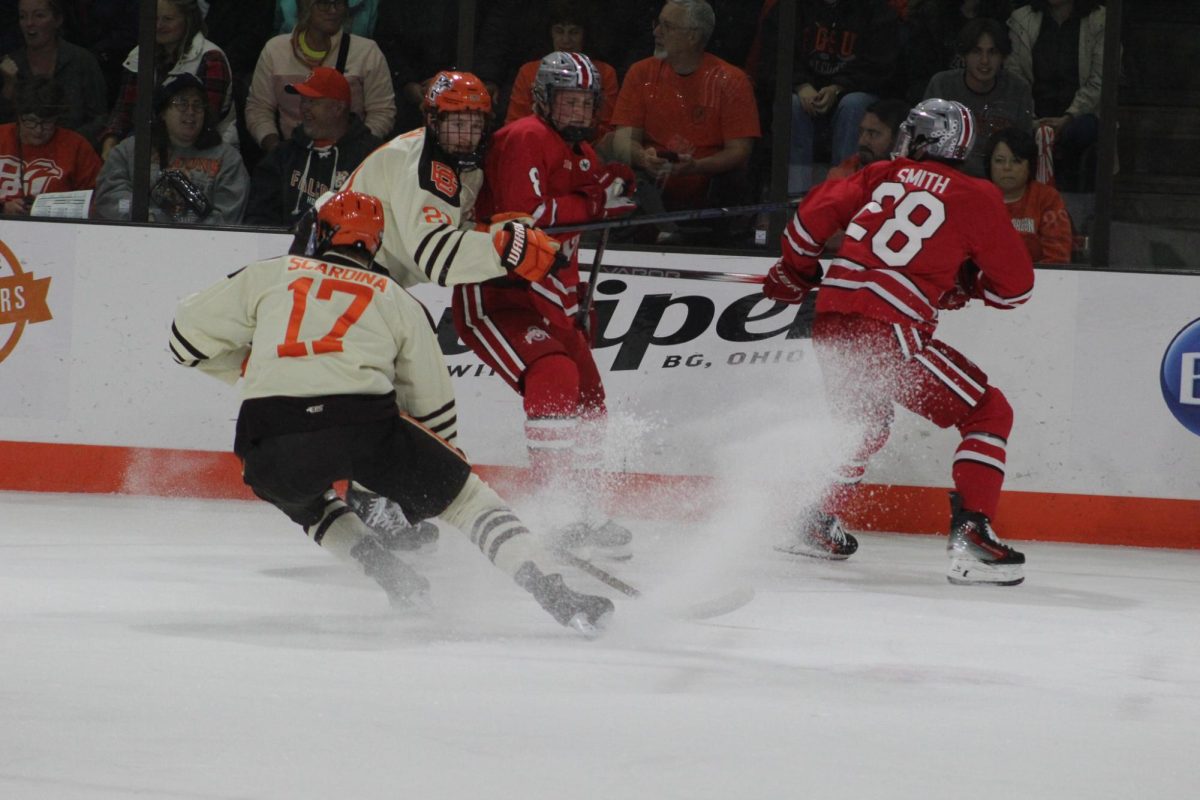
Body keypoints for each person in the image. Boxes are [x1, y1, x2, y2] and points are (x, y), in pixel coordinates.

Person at [168, 190, 614, 635]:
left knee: (306, 503)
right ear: (375, 244)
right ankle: (556, 593)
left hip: (266, 440)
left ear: (320, 233)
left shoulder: (268, 275)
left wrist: (250, 371)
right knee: (468, 502)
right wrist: (434, 482)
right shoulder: (397, 299)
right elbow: (433, 410)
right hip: (363, 426)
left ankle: (392, 576)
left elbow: (184, 340)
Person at [763, 98, 1034, 586]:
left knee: (862, 424)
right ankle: (972, 533)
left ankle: (813, 521)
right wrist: (967, 288)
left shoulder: (883, 174)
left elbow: (807, 224)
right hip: (887, 328)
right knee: (989, 412)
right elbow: (1017, 289)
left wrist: (796, 271)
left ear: (922, 139)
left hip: (832, 317)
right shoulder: (977, 195)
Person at [311, 70, 565, 548]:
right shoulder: (425, 167)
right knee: (388, 385)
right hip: (341, 274)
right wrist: (507, 249)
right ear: (431, 121)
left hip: (358, 276)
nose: (464, 134)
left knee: (385, 385)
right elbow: (436, 257)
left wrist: (511, 237)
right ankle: (370, 504)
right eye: (453, 123)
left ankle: (374, 501)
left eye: (473, 124)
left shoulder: (454, 159)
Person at [455, 51, 637, 560]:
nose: (578, 112)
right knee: (554, 375)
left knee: (590, 399)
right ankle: (552, 510)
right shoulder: (525, 138)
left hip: (551, 301)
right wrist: (595, 201)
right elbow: (526, 219)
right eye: (569, 101)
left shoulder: (583, 151)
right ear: (544, 100)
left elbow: (570, 242)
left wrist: (578, 303)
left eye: (586, 102)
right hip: (499, 294)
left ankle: (579, 507)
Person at [609, 0, 760, 244]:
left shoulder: (731, 80)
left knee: (734, 181)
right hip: (651, 187)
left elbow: (740, 151)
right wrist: (643, 157)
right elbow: (622, 140)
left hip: (710, 190)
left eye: (666, 26)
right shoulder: (640, 73)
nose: (656, 32)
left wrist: (698, 166)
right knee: (619, 165)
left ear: (692, 37)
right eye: (657, 24)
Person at [755, 0, 901, 194]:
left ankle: (842, 192)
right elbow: (771, 59)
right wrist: (800, 84)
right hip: (805, 97)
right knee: (792, 104)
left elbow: (880, 67)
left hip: (852, 95)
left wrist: (838, 87)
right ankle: (793, 196)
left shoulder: (876, 11)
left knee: (854, 104)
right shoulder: (790, 8)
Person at [93, 72, 248, 224]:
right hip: (136, 238)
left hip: (201, 244)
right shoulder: (130, 150)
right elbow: (109, 197)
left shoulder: (227, 158)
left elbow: (227, 217)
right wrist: (147, 218)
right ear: (162, 112)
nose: (190, 112)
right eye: (181, 104)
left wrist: (183, 228)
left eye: (198, 105)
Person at [245, 0, 395, 153]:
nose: (333, 10)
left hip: (349, 155)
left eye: (340, 3)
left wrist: (355, 152)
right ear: (304, 6)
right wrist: (278, 153)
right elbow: (258, 109)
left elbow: (382, 112)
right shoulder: (275, 50)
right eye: (324, 3)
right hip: (291, 153)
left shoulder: (367, 52)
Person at [243, 66, 380, 227]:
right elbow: (259, 217)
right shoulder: (283, 156)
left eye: (313, 101)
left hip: (347, 249)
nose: (304, 108)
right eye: (303, 100)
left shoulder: (372, 156)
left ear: (338, 107)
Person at [100, 0, 237, 157]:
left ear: (188, 19)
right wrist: (110, 140)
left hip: (205, 149)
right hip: (148, 145)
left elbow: (204, 120)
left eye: (167, 19)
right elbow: (124, 110)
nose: (158, 26)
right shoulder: (138, 55)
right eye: (154, 18)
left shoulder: (211, 58)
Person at [1006, 0, 1107, 191]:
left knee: (1085, 129)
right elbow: (1015, 75)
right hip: (1034, 114)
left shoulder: (1099, 20)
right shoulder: (1022, 19)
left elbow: (1100, 79)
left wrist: (1069, 117)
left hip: (1078, 116)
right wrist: (1033, 119)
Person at [924, 17, 1034, 176]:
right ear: (963, 56)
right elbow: (926, 144)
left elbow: (1023, 151)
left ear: (1003, 57)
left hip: (999, 181)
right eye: (976, 51)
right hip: (951, 177)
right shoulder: (942, 85)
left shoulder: (1018, 89)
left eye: (993, 52)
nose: (984, 61)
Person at [502, 0, 619, 147]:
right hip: (537, 147)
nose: (566, 40)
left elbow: (607, 129)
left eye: (574, 32)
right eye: (559, 31)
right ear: (550, 33)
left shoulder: (605, 73)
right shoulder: (529, 72)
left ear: (585, 35)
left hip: (587, 149)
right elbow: (514, 124)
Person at [0, 0, 108, 148]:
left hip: (72, 151)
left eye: (39, 15)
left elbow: (100, 118)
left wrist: (68, 143)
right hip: (21, 153)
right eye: (23, 16)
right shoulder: (10, 64)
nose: (29, 23)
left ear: (57, 20)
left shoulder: (82, 60)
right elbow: (5, 124)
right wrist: (9, 85)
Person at [0, 75, 100, 215]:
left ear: (57, 119)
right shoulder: (2, 136)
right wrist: (3, 208)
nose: (38, 130)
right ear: (18, 116)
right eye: (30, 121)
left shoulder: (77, 146)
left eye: (47, 122)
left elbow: (97, 200)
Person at [986, 126, 1072, 263]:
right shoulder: (975, 197)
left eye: (1016, 161)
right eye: (999, 161)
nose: (1007, 167)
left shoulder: (1046, 198)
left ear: (1029, 166)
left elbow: (1058, 257)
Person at [904, 0, 1014, 105]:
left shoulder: (1003, 14)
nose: (984, 59)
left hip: (993, 103)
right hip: (941, 105)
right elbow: (918, 80)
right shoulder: (930, 16)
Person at [825, 98, 910, 180]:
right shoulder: (842, 175)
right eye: (861, 132)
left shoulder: (913, 181)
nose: (861, 141)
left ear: (899, 138)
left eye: (873, 134)